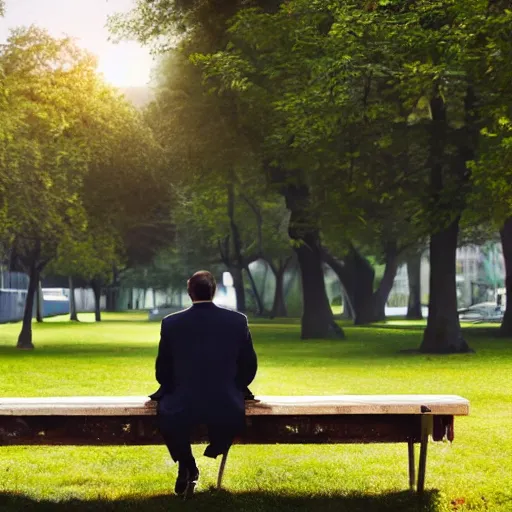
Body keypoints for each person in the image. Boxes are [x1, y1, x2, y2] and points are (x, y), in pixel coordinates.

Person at [149, 270, 257, 497]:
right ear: (214, 291)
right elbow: (249, 365)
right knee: (180, 413)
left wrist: (173, 386)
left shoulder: (171, 323)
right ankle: (188, 467)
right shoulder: (237, 321)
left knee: (168, 416)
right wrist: (235, 386)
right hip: (225, 401)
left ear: (189, 293)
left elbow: (162, 371)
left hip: (182, 401)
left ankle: (187, 465)